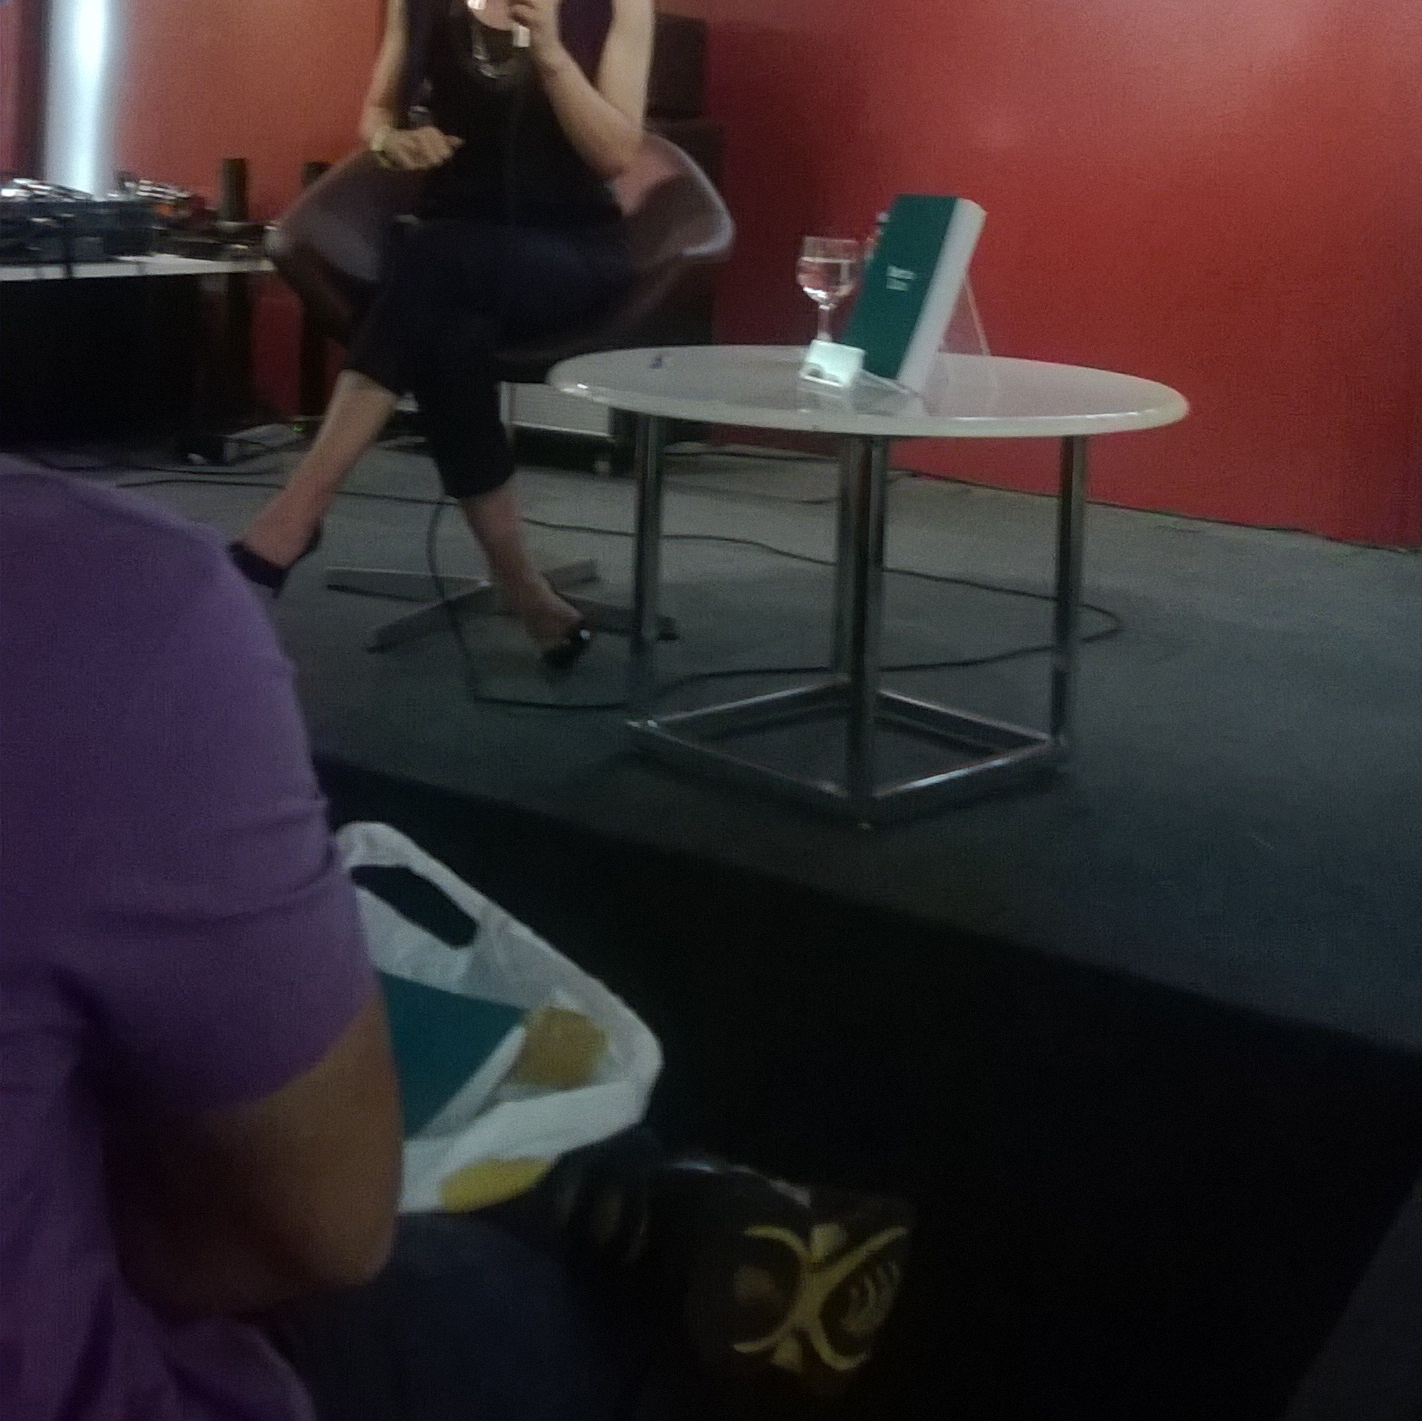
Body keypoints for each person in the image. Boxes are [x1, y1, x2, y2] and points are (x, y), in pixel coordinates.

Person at [0, 459, 913, 1421]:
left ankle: (623, 1199)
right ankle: (622, 1207)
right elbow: (320, 1235)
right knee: (468, 1283)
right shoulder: (102, 610)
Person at [230, 0, 655, 664]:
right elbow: (379, 111)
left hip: (569, 250)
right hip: (453, 248)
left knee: (431, 262)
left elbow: (616, 152)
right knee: (447, 327)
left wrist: (549, 51)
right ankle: (526, 591)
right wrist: (395, 144)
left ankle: (293, 517)